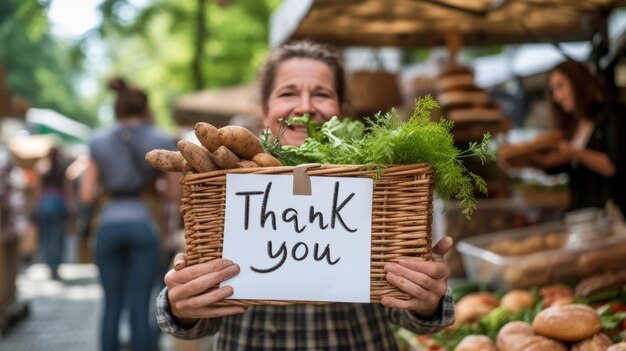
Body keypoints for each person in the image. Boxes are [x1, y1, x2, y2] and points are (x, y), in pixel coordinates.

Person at [156, 40, 455, 350]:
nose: (305, 107)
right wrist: (181, 307)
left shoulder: (379, 181)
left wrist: (427, 300)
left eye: (322, 94)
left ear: (341, 108)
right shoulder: (223, 184)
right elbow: (199, 319)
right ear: (264, 108)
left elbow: (411, 314)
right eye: (288, 93)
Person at [80, 77, 180, 351]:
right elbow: (173, 192)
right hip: (145, 222)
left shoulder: (97, 140)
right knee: (140, 300)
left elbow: (87, 194)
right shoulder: (160, 138)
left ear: (116, 107)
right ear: (145, 108)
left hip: (108, 223)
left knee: (111, 302)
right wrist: (150, 188)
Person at [524, 59, 625, 215]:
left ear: (578, 81)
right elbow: (565, 167)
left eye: (560, 86)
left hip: (610, 215)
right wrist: (531, 161)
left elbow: (613, 166)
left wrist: (574, 152)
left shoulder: (611, 113)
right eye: (553, 91)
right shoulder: (575, 124)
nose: (557, 97)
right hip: (582, 215)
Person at [34, 145, 73, 280]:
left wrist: (37, 205)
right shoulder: (62, 167)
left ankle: (50, 264)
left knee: (46, 235)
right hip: (58, 202)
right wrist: (71, 206)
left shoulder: (42, 167)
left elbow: (38, 188)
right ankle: (55, 265)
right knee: (57, 236)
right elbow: (68, 189)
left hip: (45, 202)